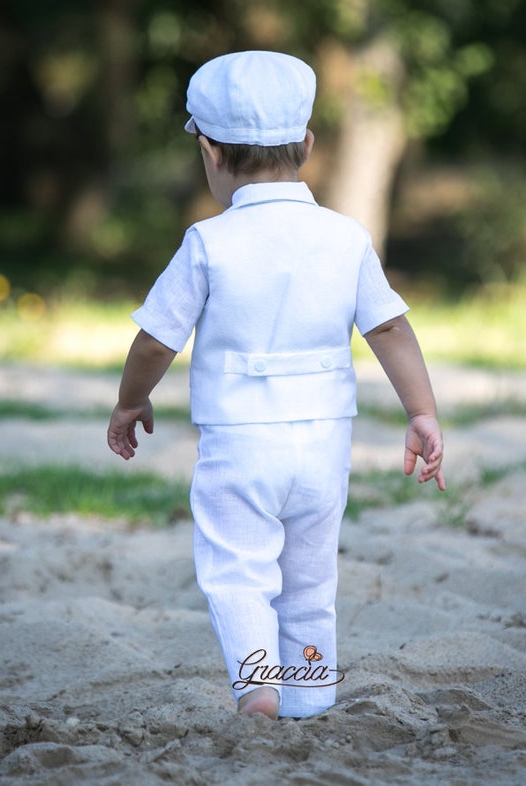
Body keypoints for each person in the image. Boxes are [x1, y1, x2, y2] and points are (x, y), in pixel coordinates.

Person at [107, 50, 445, 721]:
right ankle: (312, 696)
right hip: (324, 444)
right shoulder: (345, 237)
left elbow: (155, 339)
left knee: (239, 570)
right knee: (311, 579)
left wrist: (131, 399)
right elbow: (390, 331)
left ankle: (258, 687)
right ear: (310, 145)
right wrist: (422, 412)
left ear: (209, 152)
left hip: (241, 442)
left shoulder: (208, 242)